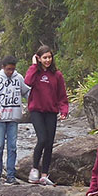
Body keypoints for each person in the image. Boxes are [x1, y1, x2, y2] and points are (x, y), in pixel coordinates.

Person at [0, 56, 30, 185]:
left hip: (13, 118)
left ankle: (11, 175)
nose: (10, 72)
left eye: (13, 69)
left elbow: (27, 92)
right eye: (8, 69)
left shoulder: (18, 78)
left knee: (12, 147)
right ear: (3, 67)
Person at [24, 45, 69, 185]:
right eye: (44, 58)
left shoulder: (57, 75)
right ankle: (34, 169)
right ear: (39, 58)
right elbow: (27, 82)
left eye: (49, 57)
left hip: (51, 111)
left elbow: (62, 95)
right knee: (42, 139)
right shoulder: (34, 73)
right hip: (36, 111)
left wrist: (64, 110)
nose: (47, 60)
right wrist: (33, 65)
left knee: (49, 143)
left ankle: (44, 174)